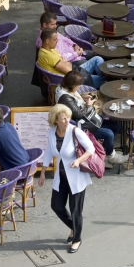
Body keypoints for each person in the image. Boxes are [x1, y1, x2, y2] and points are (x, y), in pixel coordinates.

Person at [39, 104, 94, 253]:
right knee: (56, 205)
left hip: (76, 178)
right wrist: (43, 172)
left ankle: (77, 239)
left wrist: (78, 160)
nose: (67, 121)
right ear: (55, 120)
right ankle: (74, 227)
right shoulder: (51, 132)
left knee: (76, 210)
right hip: (61, 176)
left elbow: (91, 149)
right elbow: (49, 151)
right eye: (63, 118)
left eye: (68, 117)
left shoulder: (75, 131)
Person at [55, 71, 126, 167]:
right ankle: (110, 156)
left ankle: (102, 152)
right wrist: (88, 105)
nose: (79, 87)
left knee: (115, 126)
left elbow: (74, 102)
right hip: (80, 126)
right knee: (108, 134)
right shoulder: (64, 97)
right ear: (72, 84)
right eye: (79, 85)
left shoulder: (66, 89)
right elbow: (79, 114)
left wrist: (83, 98)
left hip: (87, 120)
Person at [37, 29, 105, 89]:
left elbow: (66, 63)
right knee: (104, 81)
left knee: (97, 59)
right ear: (47, 41)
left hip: (74, 71)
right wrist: (66, 62)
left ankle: (104, 78)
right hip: (72, 80)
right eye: (55, 39)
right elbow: (69, 70)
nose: (57, 41)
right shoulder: (48, 55)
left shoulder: (50, 50)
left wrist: (65, 62)